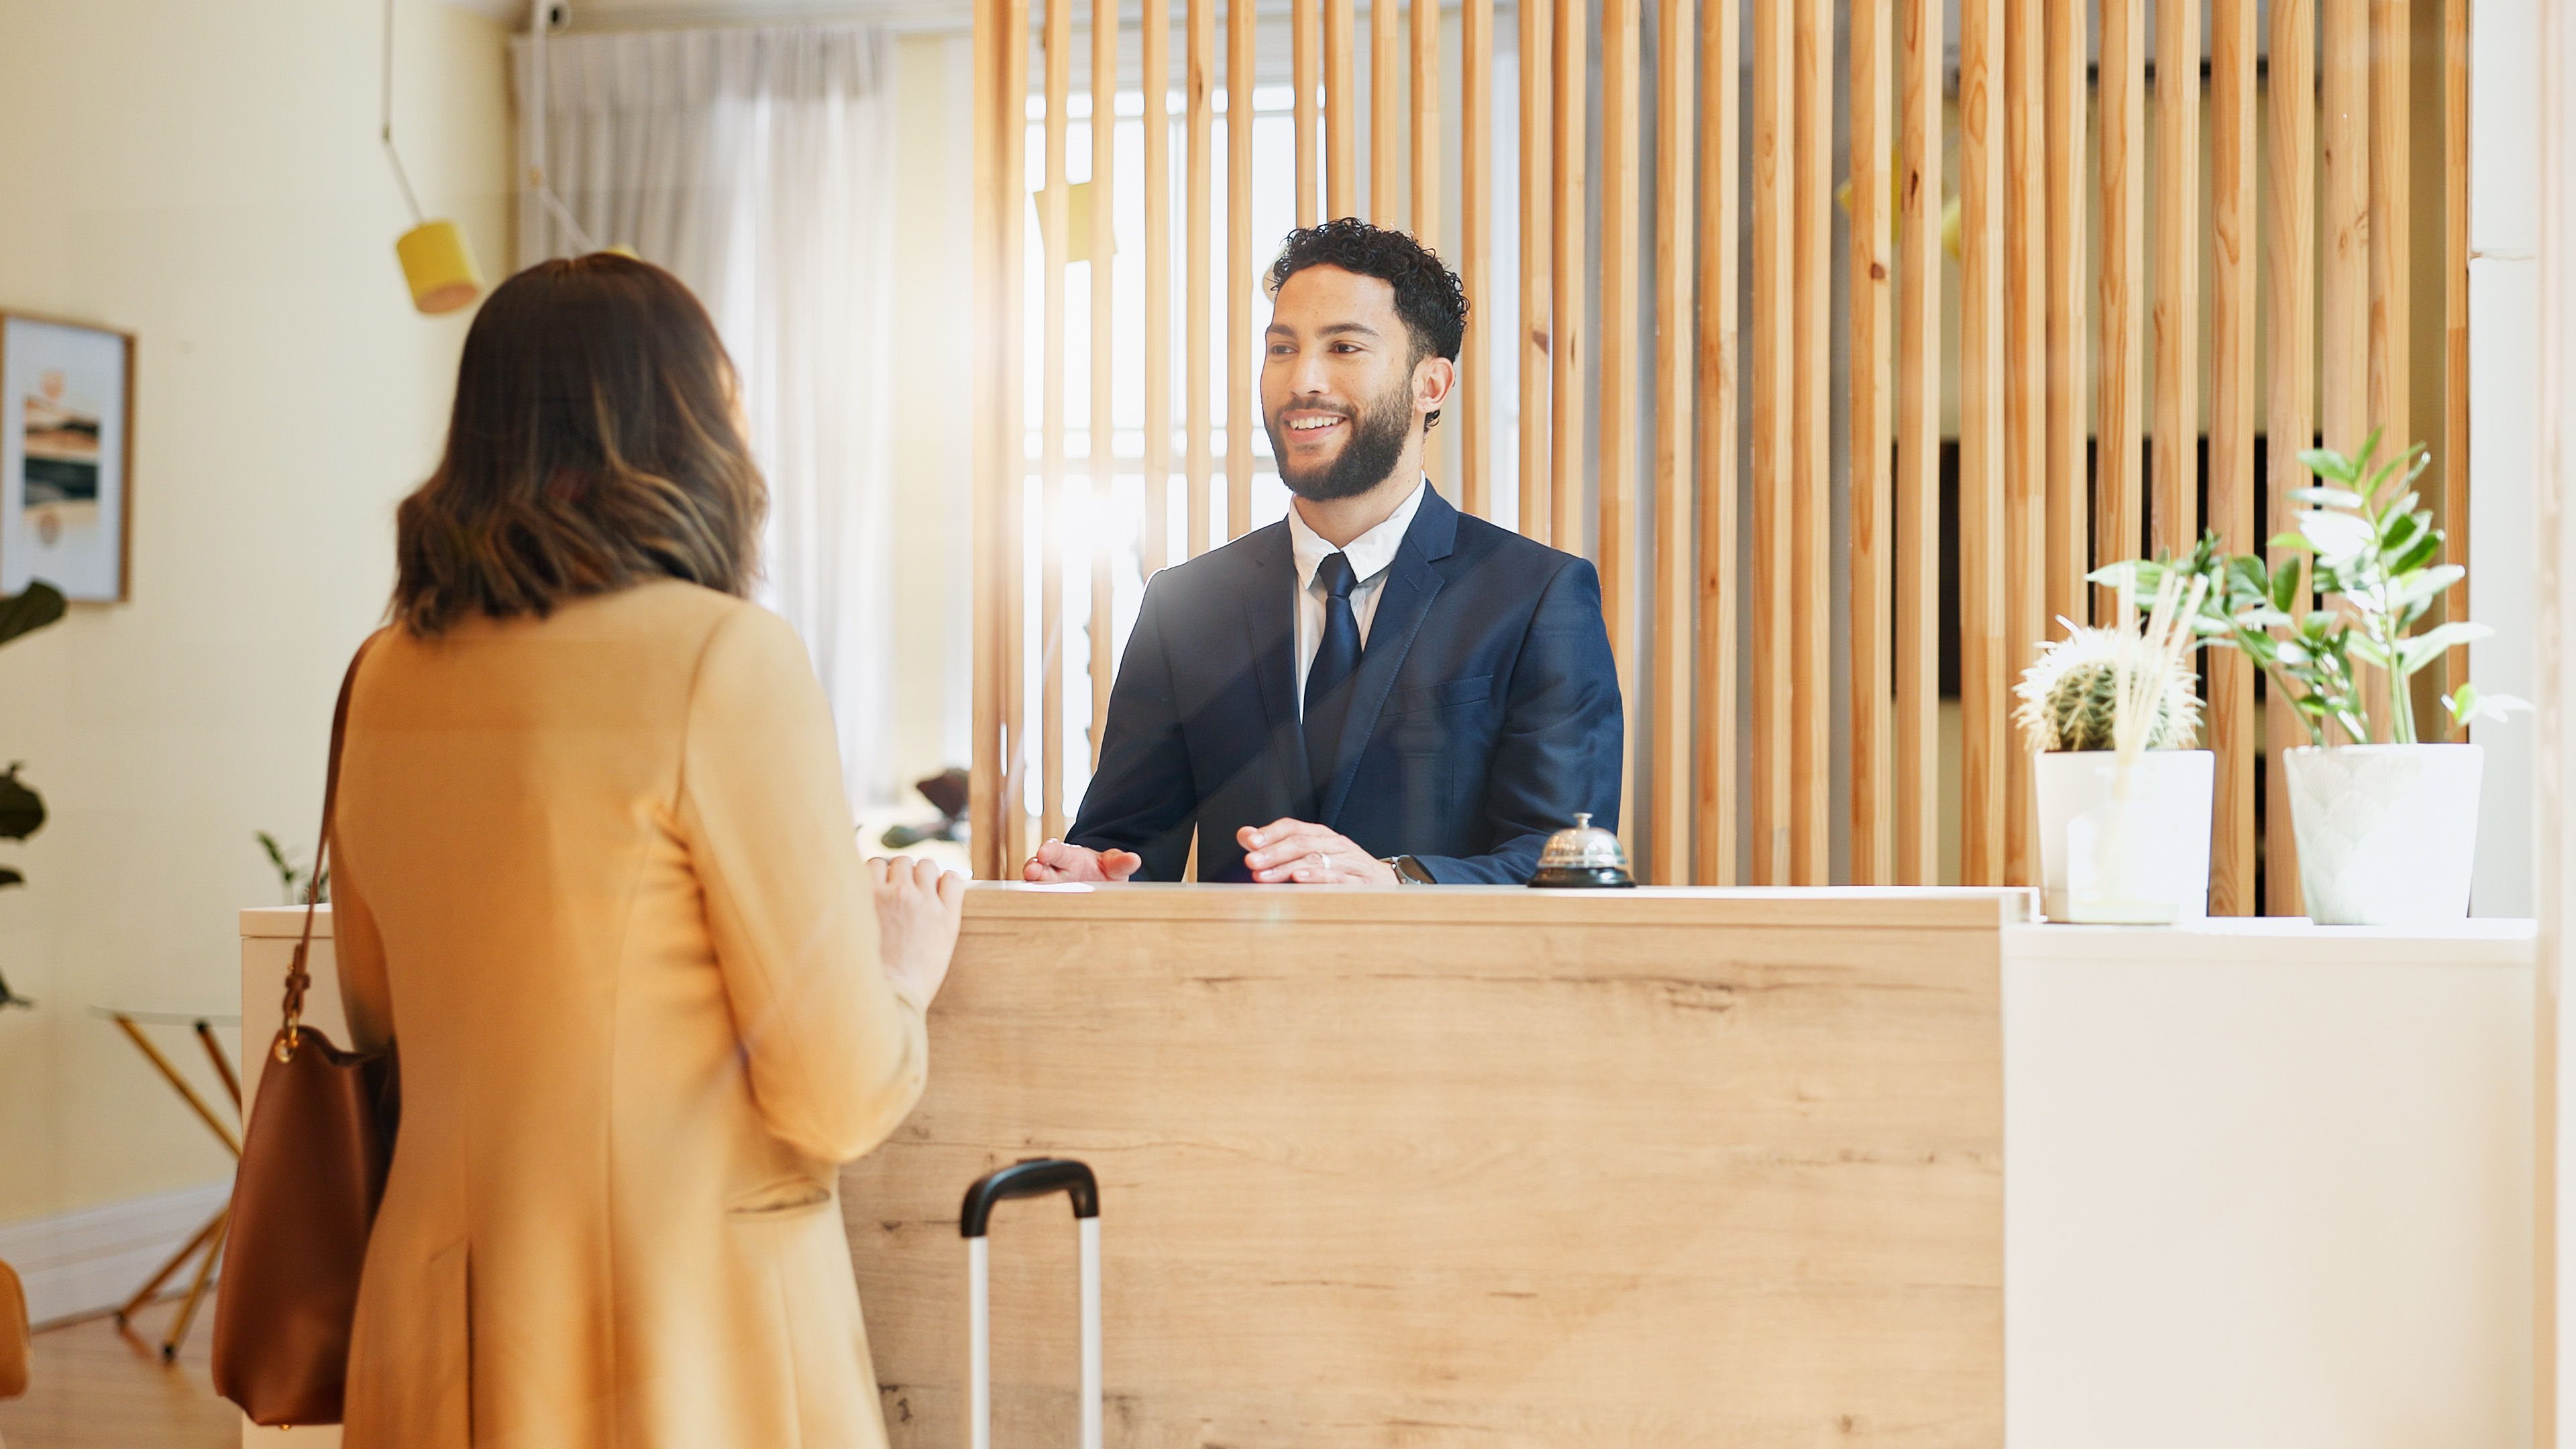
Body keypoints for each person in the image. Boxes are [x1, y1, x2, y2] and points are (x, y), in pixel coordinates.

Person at [329, 254, 961, 1448]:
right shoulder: (723, 659)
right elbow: (831, 1089)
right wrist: (903, 972)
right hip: (670, 1340)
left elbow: (382, 1022)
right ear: (680, 426)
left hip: (436, 1324)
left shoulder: (384, 676)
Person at [1026, 219, 1622, 887]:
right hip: (1226, 989)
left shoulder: (1536, 598)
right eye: (1282, 349)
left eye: (1343, 347)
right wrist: (1099, 876)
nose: (1302, 379)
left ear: (1432, 385)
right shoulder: (1185, 604)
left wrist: (1394, 884)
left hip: (1442, 990)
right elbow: (1127, 847)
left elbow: (1565, 871)